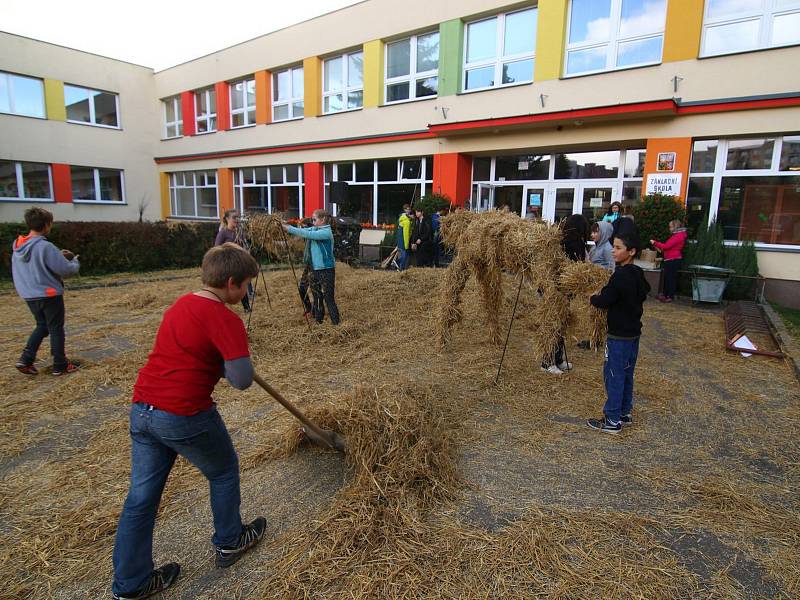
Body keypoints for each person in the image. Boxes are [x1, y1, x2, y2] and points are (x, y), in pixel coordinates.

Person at [111, 243, 265, 599]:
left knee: (141, 499)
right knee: (223, 470)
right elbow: (241, 380)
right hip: (183, 413)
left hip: (143, 409)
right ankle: (230, 541)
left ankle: (130, 584)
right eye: (245, 286)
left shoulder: (180, 305)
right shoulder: (226, 320)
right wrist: (232, 361)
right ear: (231, 283)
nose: (245, 293)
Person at [587, 228, 650, 433]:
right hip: (633, 334)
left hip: (619, 336)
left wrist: (593, 297)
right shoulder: (638, 273)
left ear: (631, 252)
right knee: (626, 373)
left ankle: (612, 420)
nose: (613, 251)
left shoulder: (620, 277)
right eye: (613, 247)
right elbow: (645, 291)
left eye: (618, 248)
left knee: (613, 374)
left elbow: (603, 301)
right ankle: (625, 412)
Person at [12, 207, 81, 376]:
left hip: (29, 294)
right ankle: (60, 364)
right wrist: (75, 261)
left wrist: (57, 255)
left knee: (42, 326)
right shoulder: (45, 246)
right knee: (56, 327)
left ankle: (26, 359)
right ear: (46, 225)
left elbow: (35, 265)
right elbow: (66, 270)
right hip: (49, 294)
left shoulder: (18, 248)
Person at [541, 214, 588, 374]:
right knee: (553, 324)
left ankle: (558, 358)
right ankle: (547, 362)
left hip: (565, 289)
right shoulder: (563, 242)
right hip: (555, 288)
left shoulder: (575, 242)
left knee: (562, 324)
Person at [284, 209, 340, 325]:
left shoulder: (326, 232)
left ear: (323, 219)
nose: (312, 222)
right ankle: (319, 322)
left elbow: (307, 234)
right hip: (315, 268)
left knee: (328, 298)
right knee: (317, 296)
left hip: (326, 269)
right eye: (312, 219)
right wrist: (285, 225)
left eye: (314, 220)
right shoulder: (315, 228)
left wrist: (287, 228)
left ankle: (336, 324)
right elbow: (304, 230)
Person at [215, 209, 251, 312]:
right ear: (227, 219)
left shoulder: (239, 232)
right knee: (225, 287)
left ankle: (247, 308)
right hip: (227, 265)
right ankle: (221, 308)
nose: (237, 220)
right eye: (234, 217)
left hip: (239, 263)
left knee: (241, 284)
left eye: (238, 217)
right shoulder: (223, 233)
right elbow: (216, 248)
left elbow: (244, 246)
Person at [651, 220, 687, 303]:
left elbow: (666, 246)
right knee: (669, 278)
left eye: (670, 227)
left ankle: (669, 296)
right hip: (671, 258)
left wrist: (655, 243)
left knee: (670, 278)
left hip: (672, 259)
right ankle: (667, 295)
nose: (669, 228)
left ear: (675, 227)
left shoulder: (678, 236)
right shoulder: (678, 235)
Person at [395, 204, 413, 271]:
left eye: (409, 209)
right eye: (407, 209)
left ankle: (400, 267)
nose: (408, 211)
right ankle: (400, 266)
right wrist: (406, 244)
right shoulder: (406, 221)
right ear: (404, 210)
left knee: (405, 255)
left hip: (401, 239)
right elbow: (406, 234)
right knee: (404, 255)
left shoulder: (403, 218)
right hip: (403, 240)